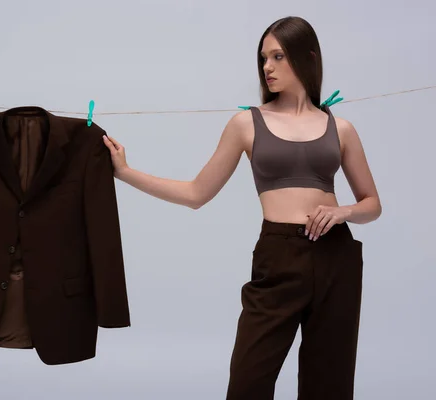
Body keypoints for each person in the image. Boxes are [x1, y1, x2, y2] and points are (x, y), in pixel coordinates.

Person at [102, 15, 382, 400]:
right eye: (263, 58)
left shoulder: (342, 128)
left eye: (278, 56)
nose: (267, 67)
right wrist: (126, 173)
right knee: (248, 383)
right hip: (279, 254)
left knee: (329, 385)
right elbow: (196, 193)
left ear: (308, 57)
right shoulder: (246, 124)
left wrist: (343, 212)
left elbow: (372, 204)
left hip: (337, 256)